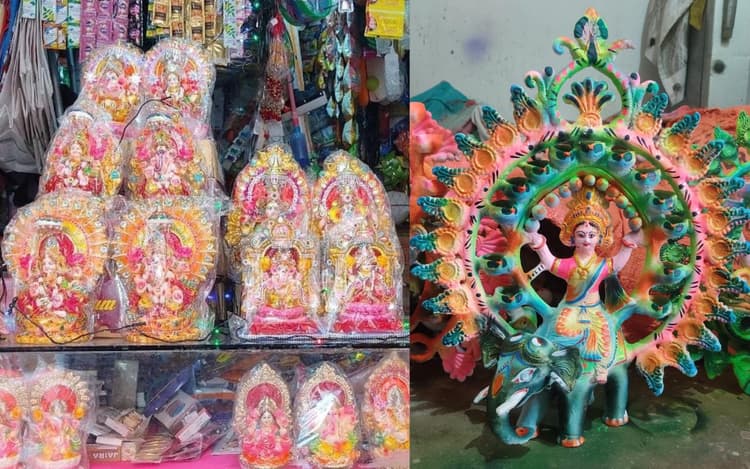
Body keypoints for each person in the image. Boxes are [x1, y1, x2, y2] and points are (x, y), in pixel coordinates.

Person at [524, 187, 642, 383]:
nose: (586, 239)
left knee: (604, 333)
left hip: (595, 310)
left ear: (600, 238)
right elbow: (550, 262)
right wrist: (539, 244)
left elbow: (618, 263)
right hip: (570, 308)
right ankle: (557, 365)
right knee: (559, 331)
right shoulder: (568, 265)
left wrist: (628, 244)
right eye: (581, 235)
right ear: (572, 238)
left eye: (591, 235)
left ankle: (601, 367)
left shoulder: (603, 265)